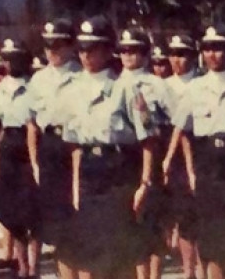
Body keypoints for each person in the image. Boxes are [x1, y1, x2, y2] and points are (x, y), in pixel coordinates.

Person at [54, 16, 155, 278]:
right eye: (82, 48)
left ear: (108, 50)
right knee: (90, 254)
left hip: (118, 173)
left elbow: (148, 140)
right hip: (89, 174)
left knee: (119, 255)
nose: (86, 55)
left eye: (93, 48)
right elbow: (75, 145)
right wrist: (76, 186)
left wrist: (144, 183)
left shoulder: (126, 88)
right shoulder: (73, 89)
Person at [165, 23, 225, 279]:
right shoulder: (195, 88)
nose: (212, 54)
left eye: (218, 48)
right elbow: (183, 131)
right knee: (211, 243)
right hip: (206, 168)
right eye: (208, 48)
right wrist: (190, 171)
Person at [117, 27, 174, 279]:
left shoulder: (156, 85)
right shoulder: (114, 83)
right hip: (122, 159)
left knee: (152, 222)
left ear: (145, 54)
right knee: (129, 224)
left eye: (134, 50)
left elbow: (176, 119)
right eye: (124, 50)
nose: (128, 55)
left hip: (151, 154)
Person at [0, 39, 41, 279]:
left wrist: (37, 160)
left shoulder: (35, 87)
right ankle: (22, 266)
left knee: (34, 209)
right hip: (8, 145)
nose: (10, 63)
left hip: (31, 146)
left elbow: (34, 125)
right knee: (13, 212)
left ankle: (35, 267)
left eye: (15, 58)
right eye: (7, 58)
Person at [27, 18, 82, 254]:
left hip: (76, 146)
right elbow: (31, 124)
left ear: (70, 46)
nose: (52, 51)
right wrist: (35, 162)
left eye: (58, 45)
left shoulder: (82, 76)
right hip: (49, 146)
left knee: (79, 214)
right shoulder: (38, 79)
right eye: (48, 46)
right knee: (56, 221)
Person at [163, 33, 202, 279]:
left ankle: (201, 267)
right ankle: (188, 269)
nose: (177, 59)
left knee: (199, 211)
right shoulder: (163, 85)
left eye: (183, 54)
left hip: (199, 147)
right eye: (173, 54)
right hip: (170, 151)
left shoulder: (199, 83)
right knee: (180, 212)